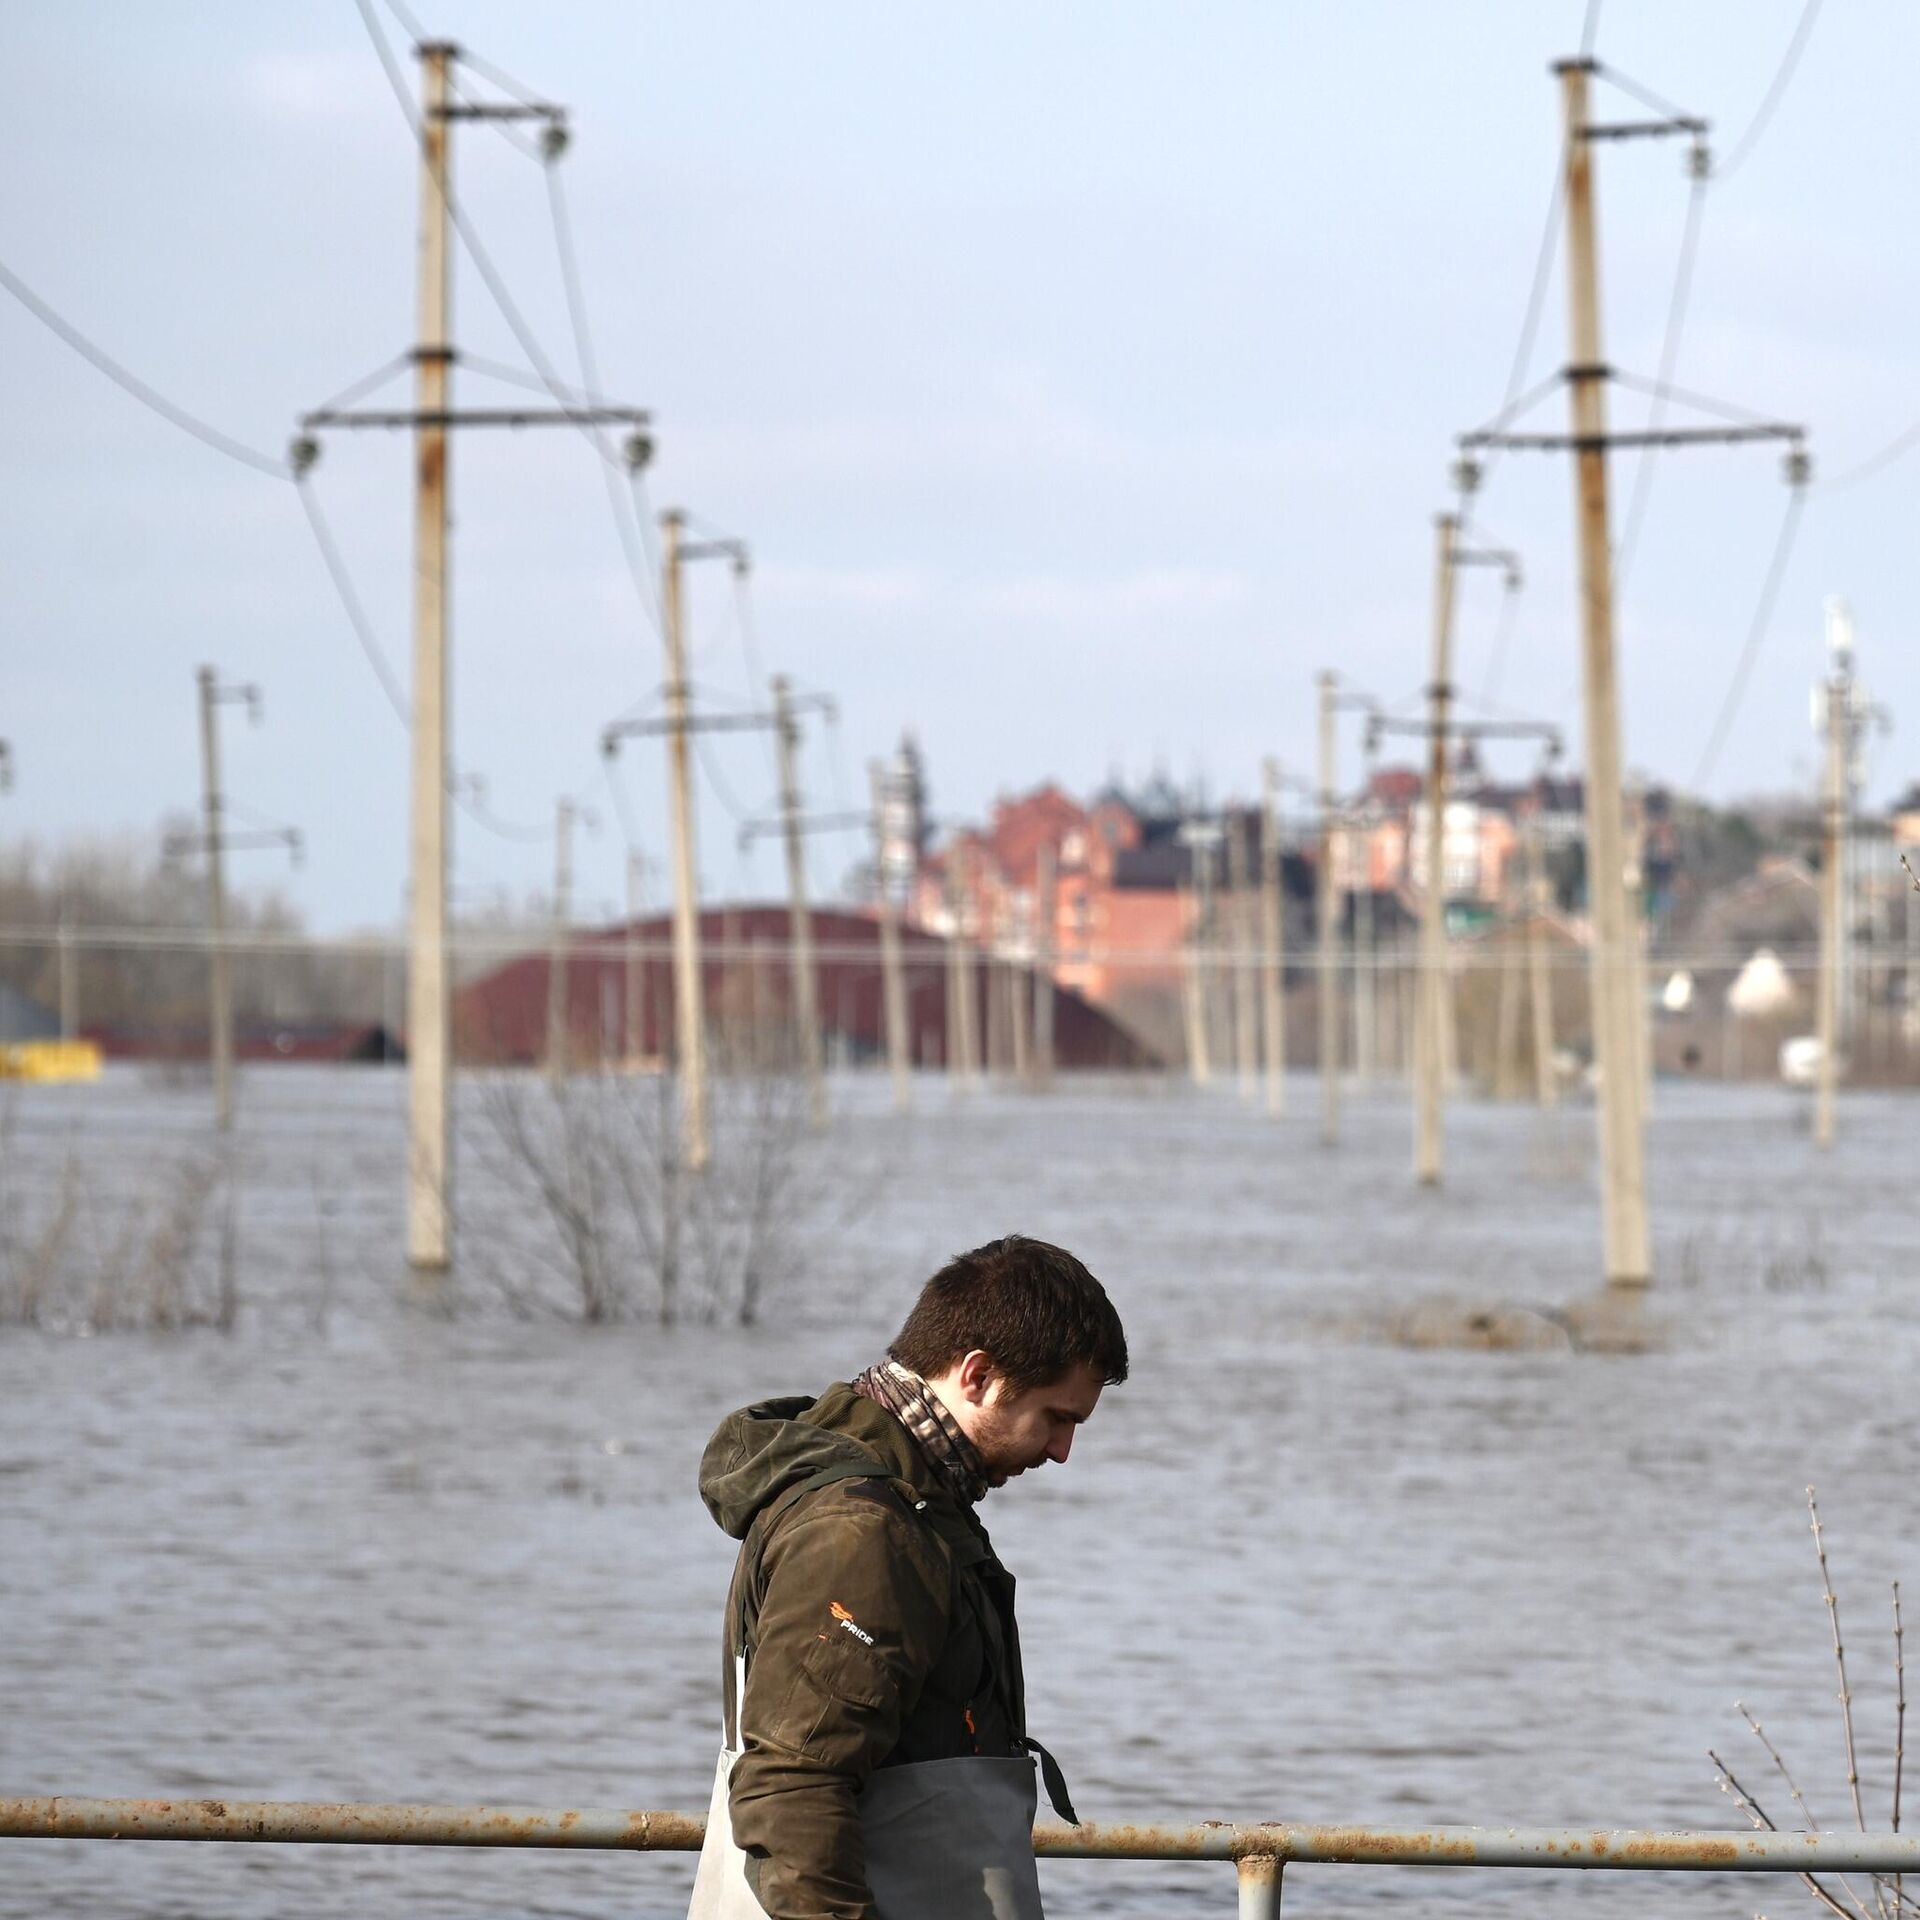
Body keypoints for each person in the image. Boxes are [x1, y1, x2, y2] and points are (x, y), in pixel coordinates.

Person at [687, 1234, 1129, 1920]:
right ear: (977, 1375)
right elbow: (790, 1789)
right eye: (1056, 1417)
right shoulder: (865, 1532)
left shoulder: (914, 1499)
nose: (1063, 1451)